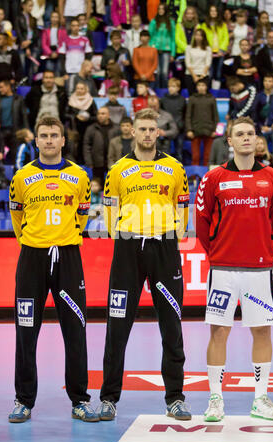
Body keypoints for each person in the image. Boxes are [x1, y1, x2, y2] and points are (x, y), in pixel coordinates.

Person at [96, 107, 191, 421]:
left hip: (165, 248)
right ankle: (108, 399)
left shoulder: (175, 168)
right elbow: (109, 211)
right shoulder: (118, 170)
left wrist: (172, 235)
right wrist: (123, 235)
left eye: (153, 129)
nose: (148, 134)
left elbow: (183, 208)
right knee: (117, 326)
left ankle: (175, 398)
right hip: (127, 250)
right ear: (132, 132)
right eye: (143, 129)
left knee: (171, 326)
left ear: (158, 132)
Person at [8, 115, 98, 423]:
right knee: (25, 331)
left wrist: (64, 237)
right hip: (31, 259)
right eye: (43, 135)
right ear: (36, 141)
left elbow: (83, 213)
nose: (48, 140)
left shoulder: (79, 175)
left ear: (63, 140)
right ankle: (23, 400)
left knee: (75, 330)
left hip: (68, 258)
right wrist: (33, 241)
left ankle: (80, 399)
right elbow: (16, 215)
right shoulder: (21, 176)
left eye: (53, 135)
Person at [195, 115, 273, 422]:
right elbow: (202, 222)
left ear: (258, 139)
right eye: (240, 134)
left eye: (251, 133)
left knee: (262, 331)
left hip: (260, 270)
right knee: (219, 331)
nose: (246, 138)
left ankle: (260, 400)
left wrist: (266, 249)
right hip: (223, 269)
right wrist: (218, 253)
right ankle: (215, 400)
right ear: (229, 141)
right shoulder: (214, 178)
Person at [253, 73, 273, 166]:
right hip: (262, 128)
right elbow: (255, 113)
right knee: (259, 151)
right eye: (265, 81)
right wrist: (260, 126)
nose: (267, 83)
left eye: (270, 81)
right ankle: (258, 169)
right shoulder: (259, 96)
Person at [185, 78, 218, 166]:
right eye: (199, 85)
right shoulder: (192, 99)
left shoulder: (211, 99)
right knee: (195, 156)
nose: (201, 87)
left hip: (209, 131)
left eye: (203, 85)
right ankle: (194, 177)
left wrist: (215, 130)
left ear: (206, 87)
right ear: (196, 87)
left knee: (208, 157)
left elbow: (215, 116)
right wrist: (189, 130)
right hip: (195, 131)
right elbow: (188, 115)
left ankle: (207, 176)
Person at [83, 106, 120, 182]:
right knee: (97, 187)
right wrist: (89, 162)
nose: (100, 116)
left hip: (113, 162)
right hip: (97, 163)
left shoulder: (116, 128)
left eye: (103, 114)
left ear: (108, 115)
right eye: (99, 114)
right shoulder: (91, 128)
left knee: (113, 186)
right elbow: (86, 146)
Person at [58, 18, 93, 95]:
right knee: (69, 93)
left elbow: (88, 56)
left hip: (80, 72)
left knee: (82, 92)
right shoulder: (65, 40)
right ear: (70, 27)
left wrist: (85, 70)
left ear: (79, 27)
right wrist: (64, 72)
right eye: (73, 26)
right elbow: (62, 57)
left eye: (77, 25)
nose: (75, 27)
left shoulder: (85, 40)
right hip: (69, 71)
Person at [198, 4, 229, 90]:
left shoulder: (223, 25)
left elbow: (225, 38)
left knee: (218, 73)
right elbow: (202, 38)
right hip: (208, 52)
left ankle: (216, 91)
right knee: (209, 73)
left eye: (215, 11)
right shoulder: (204, 25)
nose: (213, 13)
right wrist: (208, 51)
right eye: (211, 11)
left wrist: (221, 50)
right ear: (209, 13)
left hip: (219, 52)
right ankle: (208, 91)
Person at [66, 81, 97, 164]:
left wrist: (87, 118)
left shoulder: (90, 101)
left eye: (82, 88)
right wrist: (76, 116)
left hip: (87, 128)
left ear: (86, 90)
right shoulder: (71, 100)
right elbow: (65, 114)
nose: (79, 90)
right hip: (74, 129)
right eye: (78, 88)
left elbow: (96, 117)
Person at [0, 78, 29, 164]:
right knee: (1, 157)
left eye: (1, 87)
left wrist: (26, 132)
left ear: (8, 86)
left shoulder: (18, 99)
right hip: (1, 132)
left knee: (15, 157)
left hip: (15, 132)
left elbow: (24, 117)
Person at [148, 3, 176, 89]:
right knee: (158, 72)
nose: (161, 11)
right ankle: (156, 91)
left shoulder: (170, 22)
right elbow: (150, 36)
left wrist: (173, 53)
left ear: (166, 10)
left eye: (162, 9)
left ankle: (164, 91)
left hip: (166, 50)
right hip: (155, 50)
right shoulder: (153, 21)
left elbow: (173, 38)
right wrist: (150, 49)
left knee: (164, 72)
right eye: (159, 9)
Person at [160, 78, 186, 162]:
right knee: (166, 153)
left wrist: (182, 125)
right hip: (167, 130)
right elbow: (161, 114)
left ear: (178, 88)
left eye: (173, 86)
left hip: (179, 129)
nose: (171, 88)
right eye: (169, 86)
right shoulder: (163, 100)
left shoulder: (182, 100)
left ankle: (179, 171)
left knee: (179, 153)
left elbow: (185, 114)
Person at [184, 28, 212, 96]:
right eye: (196, 35)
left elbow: (208, 63)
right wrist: (194, 77)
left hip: (203, 75)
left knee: (204, 96)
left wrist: (202, 76)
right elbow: (188, 63)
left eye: (200, 35)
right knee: (192, 95)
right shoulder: (188, 48)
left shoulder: (208, 48)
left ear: (203, 37)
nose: (198, 37)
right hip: (190, 74)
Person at [41, 10, 67, 76]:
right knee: (49, 72)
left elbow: (63, 43)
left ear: (58, 19)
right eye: (53, 17)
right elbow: (44, 44)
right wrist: (50, 53)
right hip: (49, 54)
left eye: (56, 17)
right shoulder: (46, 30)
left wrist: (57, 52)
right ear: (50, 18)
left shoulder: (63, 30)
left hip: (59, 53)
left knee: (58, 72)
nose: (54, 19)